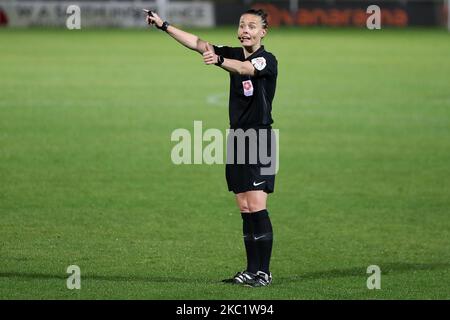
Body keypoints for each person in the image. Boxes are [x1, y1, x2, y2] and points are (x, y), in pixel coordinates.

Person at [146, 8, 278, 287]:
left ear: (263, 32)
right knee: (244, 206)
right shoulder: (232, 51)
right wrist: (164, 25)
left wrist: (218, 60)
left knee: (257, 205)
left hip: (260, 139)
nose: (245, 30)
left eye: (252, 26)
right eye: (242, 25)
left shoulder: (267, 59)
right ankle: (250, 270)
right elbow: (197, 43)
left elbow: (246, 69)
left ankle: (264, 272)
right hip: (238, 139)